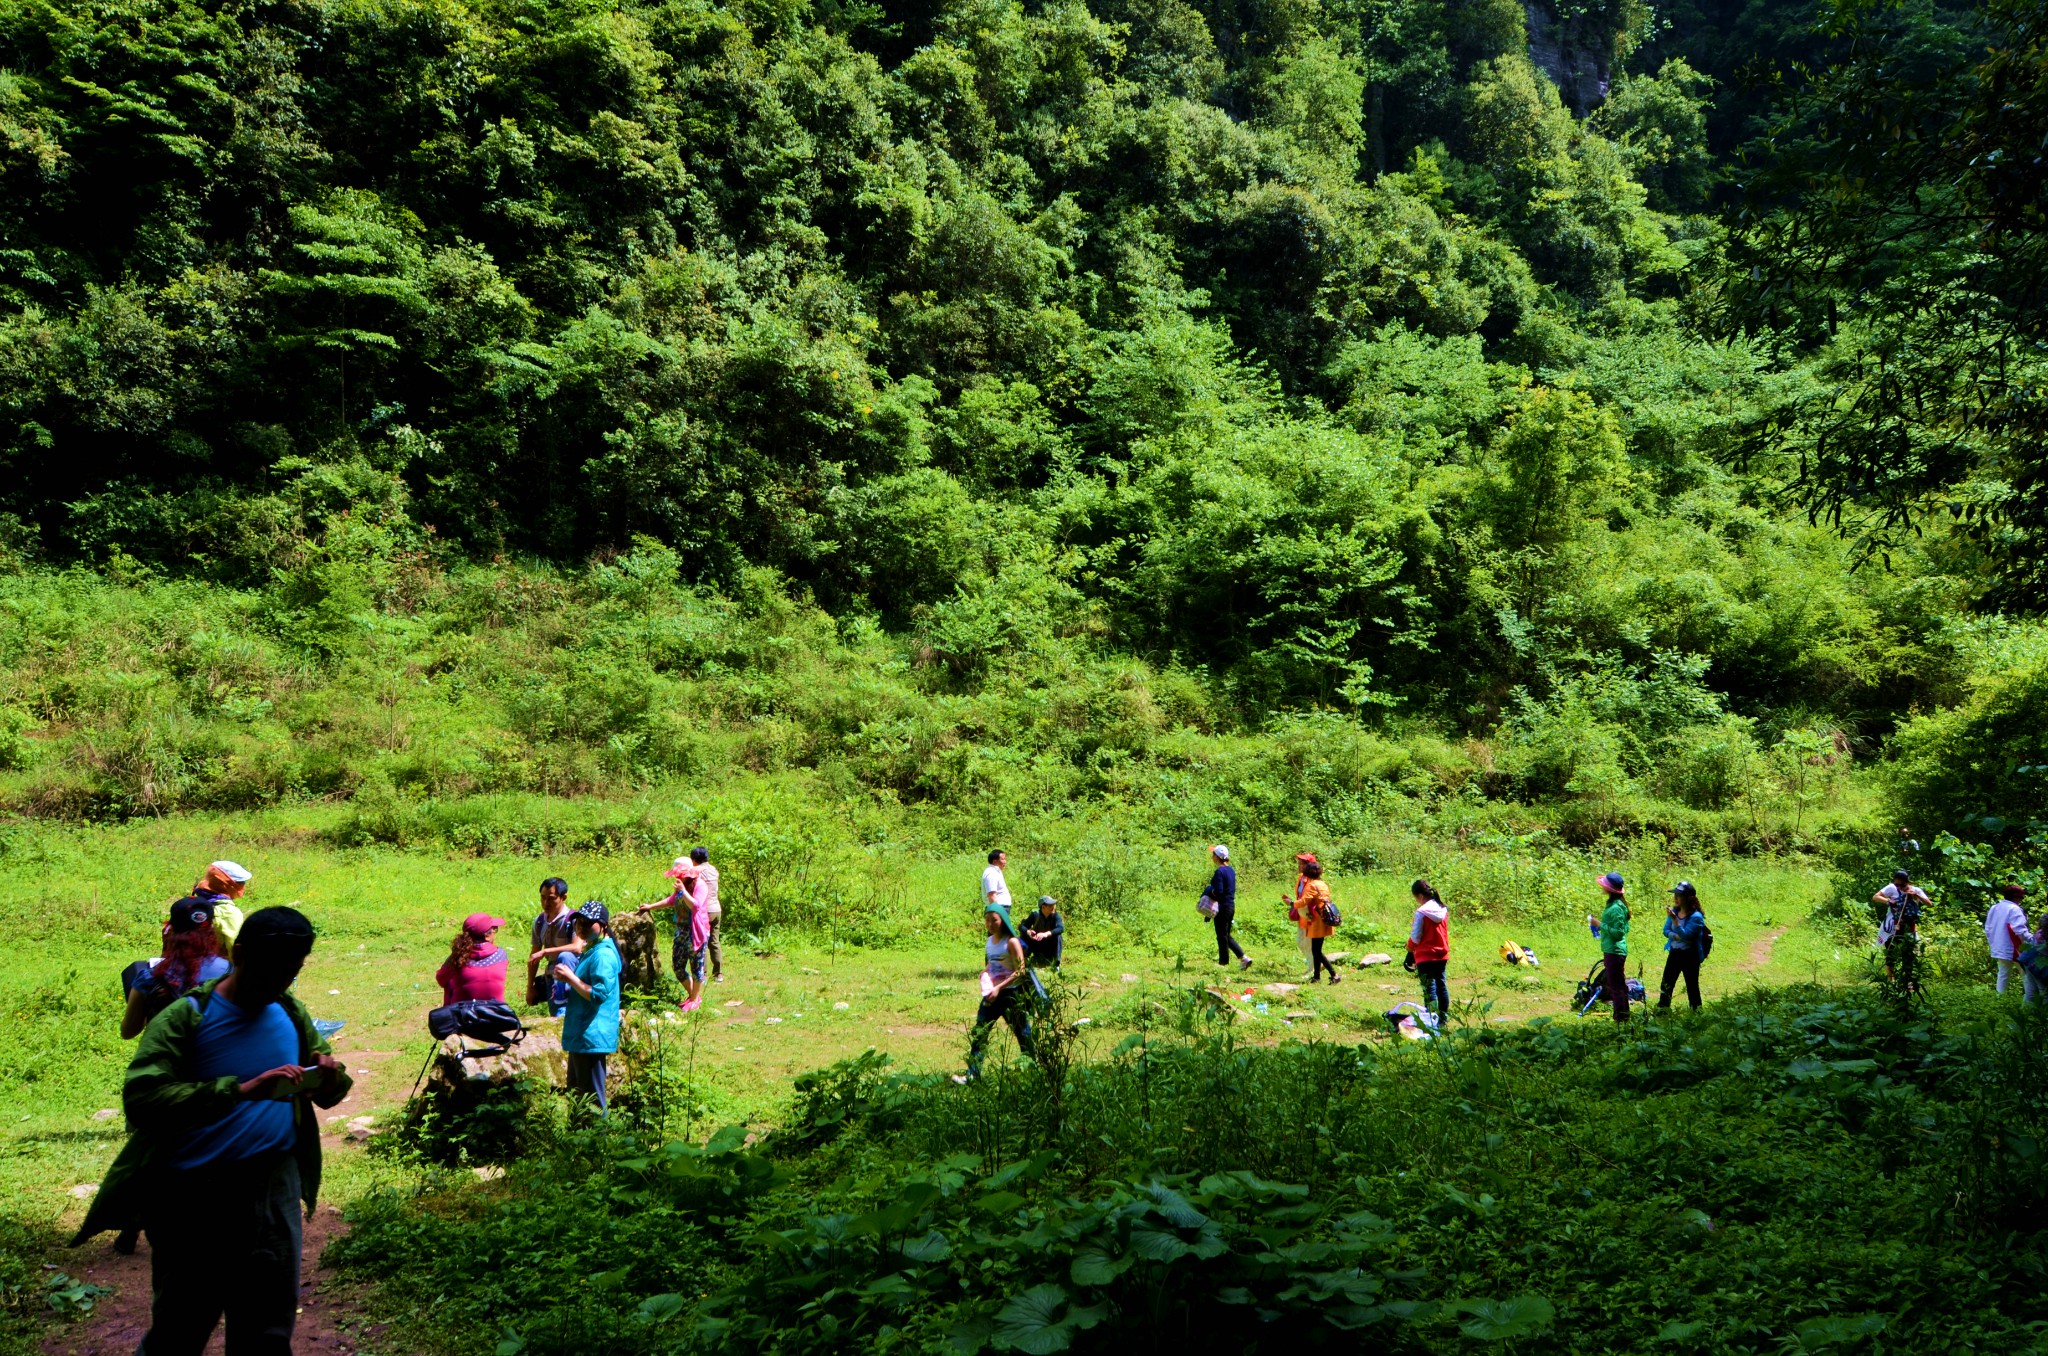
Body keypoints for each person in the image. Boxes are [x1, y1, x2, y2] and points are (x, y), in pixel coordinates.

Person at [73, 907, 353, 1356]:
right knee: (180, 1330)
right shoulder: (187, 1017)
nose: (280, 979)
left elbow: (328, 1093)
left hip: (274, 1189)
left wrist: (331, 1073)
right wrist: (239, 1090)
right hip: (194, 1195)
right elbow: (143, 1099)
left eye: (292, 969)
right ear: (240, 953)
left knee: (267, 1332)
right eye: (272, 967)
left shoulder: (290, 1010)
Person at [121, 896, 232, 1039]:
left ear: (171, 931)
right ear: (211, 931)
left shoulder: (150, 977)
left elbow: (128, 1032)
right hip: (216, 1054)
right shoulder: (230, 972)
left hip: (167, 1057)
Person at [954, 905, 1035, 1082]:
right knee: (980, 1033)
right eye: (987, 920)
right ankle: (973, 1075)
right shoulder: (990, 942)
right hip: (992, 996)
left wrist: (999, 987)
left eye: (995, 920)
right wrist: (985, 971)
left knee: (1023, 1033)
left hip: (1012, 995)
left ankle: (1032, 1070)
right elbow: (994, 963)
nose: (990, 924)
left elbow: (1020, 970)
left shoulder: (1011, 942)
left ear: (1003, 920)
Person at [554, 902, 622, 1113]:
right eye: (578, 923)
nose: (581, 927)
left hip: (592, 1035)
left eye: (587, 923)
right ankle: (579, 1142)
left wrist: (570, 978)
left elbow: (599, 995)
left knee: (592, 1101)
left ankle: (600, 1143)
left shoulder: (603, 955)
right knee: (577, 1098)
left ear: (602, 925)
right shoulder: (593, 949)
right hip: (582, 1035)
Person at [636, 859, 708, 1012]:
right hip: (681, 931)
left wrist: (683, 890)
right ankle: (693, 996)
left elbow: (696, 905)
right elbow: (672, 900)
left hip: (696, 932)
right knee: (677, 965)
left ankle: (694, 999)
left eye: (679, 875)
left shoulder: (700, 885)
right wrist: (651, 906)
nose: (676, 878)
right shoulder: (680, 887)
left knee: (696, 966)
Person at [1873, 870, 1931, 994]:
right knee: (1891, 952)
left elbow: (1929, 903)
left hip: (1908, 928)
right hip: (1892, 927)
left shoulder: (1916, 890)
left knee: (1908, 955)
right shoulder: (1891, 888)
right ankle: (1890, 980)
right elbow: (1876, 897)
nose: (1899, 887)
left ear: (1907, 882)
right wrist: (1888, 901)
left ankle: (1908, 982)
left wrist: (1916, 895)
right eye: (1897, 884)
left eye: (1902, 885)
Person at [527, 877, 579, 1014]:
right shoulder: (539, 922)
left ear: (564, 897)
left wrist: (546, 952)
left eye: (551, 898)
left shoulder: (574, 919)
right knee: (557, 1018)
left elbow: (577, 947)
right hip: (552, 979)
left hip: (575, 978)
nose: (545, 903)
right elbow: (533, 957)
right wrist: (530, 988)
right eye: (542, 898)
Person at [435, 913, 509, 1005]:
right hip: (496, 1012)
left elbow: (441, 979)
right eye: (494, 929)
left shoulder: (458, 958)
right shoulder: (501, 955)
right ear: (487, 936)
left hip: (463, 1014)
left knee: (450, 981)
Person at [1587, 873, 1631, 1021]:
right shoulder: (1613, 904)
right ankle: (1623, 1015)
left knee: (1616, 987)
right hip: (1611, 950)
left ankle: (1621, 1018)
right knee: (1617, 984)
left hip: (1615, 951)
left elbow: (1619, 933)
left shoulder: (1617, 908)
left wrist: (1599, 925)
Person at [1289, 859, 1340, 984]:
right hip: (1325, 917)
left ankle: (1334, 974)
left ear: (1307, 873)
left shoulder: (1311, 885)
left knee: (1316, 950)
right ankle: (1316, 976)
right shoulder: (1323, 884)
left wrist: (1291, 903)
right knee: (1316, 948)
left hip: (1317, 919)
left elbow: (1303, 901)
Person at [1403, 880, 1448, 1020]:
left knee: (1429, 988)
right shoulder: (1443, 909)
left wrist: (1409, 951)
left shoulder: (1421, 912)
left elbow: (1415, 937)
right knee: (1441, 986)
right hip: (1441, 954)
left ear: (1421, 896)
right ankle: (1443, 1018)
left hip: (1425, 955)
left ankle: (1431, 1019)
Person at [1658, 881, 1707, 1011]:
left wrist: (1675, 922)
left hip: (1690, 955)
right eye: (1675, 895)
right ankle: (1662, 1011)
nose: (1675, 898)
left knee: (1692, 986)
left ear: (1688, 898)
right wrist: (1676, 936)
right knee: (1666, 984)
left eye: (1679, 895)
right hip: (1675, 952)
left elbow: (1687, 936)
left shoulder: (1696, 917)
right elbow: (1665, 931)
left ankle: (1696, 1012)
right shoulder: (1674, 911)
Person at [1985, 884, 2034, 998]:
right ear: (2017, 897)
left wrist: (1993, 942)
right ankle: (2029, 1003)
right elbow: (2019, 930)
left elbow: (1988, 928)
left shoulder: (1995, 907)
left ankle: (2000, 999)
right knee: (2026, 974)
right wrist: (2033, 939)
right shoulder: (2014, 909)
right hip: (2014, 948)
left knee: (2003, 973)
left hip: (1999, 946)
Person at [189, 860, 252, 949]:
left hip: (179, 961)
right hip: (211, 961)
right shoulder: (229, 913)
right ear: (226, 884)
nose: (243, 886)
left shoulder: (192, 902)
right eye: (240, 883)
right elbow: (235, 948)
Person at [1206, 845, 1251, 971]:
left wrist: (1209, 892)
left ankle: (1225, 962)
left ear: (1217, 857)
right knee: (1225, 935)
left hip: (1222, 907)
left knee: (1222, 935)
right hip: (1230, 906)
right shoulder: (1230, 870)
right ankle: (1242, 958)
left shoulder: (1219, 872)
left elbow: (1219, 891)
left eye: (1213, 854)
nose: (1212, 856)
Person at [690, 847, 724, 983]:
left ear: (694, 859)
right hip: (716, 909)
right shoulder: (713, 869)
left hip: (705, 911)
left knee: (701, 941)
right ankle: (718, 973)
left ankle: (702, 973)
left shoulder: (697, 872)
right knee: (714, 941)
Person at [1290, 852, 1319, 969]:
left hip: (1311, 915)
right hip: (1302, 913)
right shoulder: (1301, 878)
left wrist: (1294, 903)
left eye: (1302, 864)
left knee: (1309, 943)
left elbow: (1310, 898)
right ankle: (1312, 965)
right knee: (1301, 942)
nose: (1299, 866)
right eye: (1300, 863)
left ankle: (1311, 969)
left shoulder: (1312, 881)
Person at [1021, 895, 1066, 971]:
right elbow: (1022, 926)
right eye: (1050, 905)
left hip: (1049, 947)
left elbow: (1061, 928)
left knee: (1058, 937)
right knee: (1024, 935)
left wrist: (1046, 934)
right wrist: (1028, 932)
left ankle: (1056, 965)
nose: (1053, 907)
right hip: (1036, 944)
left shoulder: (1055, 916)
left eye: (1053, 905)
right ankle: (1024, 959)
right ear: (1043, 907)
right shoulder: (1035, 915)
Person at [982, 849, 1012, 915]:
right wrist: (996, 911)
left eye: (1005, 859)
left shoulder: (996, 871)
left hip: (1001, 908)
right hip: (999, 908)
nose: (1005, 862)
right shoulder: (991, 873)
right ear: (995, 861)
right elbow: (991, 894)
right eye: (1002, 859)